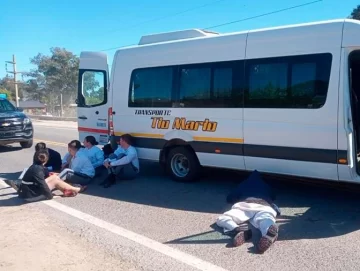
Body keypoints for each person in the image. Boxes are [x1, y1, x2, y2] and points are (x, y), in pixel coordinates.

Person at [216, 170, 281, 254]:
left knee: (223, 218)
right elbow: (273, 196)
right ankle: (268, 232)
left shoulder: (243, 184)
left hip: (246, 205)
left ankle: (237, 229)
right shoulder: (266, 186)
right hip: (264, 205)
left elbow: (230, 197)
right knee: (265, 219)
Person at [5, 150, 87, 202]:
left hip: (29, 189)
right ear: (46, 159)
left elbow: (47, 175)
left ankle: (65, 190)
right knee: (55, 181)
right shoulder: (38, 170)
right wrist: (51, 197)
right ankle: (77, 189)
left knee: (55, 177)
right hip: (30, 195)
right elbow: (43, 185)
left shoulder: (36, 166)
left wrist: (55, 175)